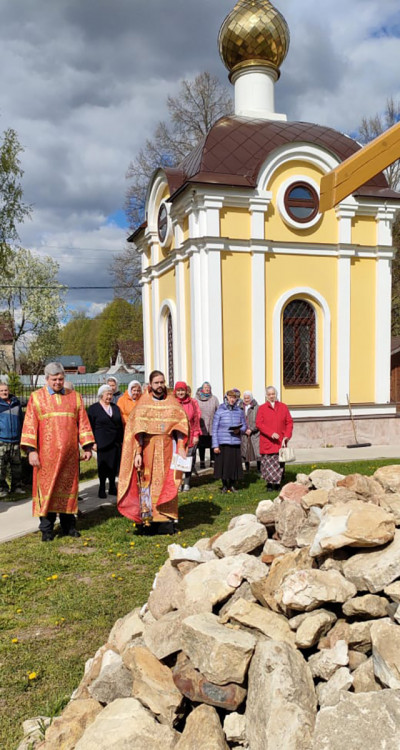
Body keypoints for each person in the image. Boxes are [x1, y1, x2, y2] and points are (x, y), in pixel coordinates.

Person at [20, 362, 94, 541]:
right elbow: (30, 425)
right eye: (54, 379)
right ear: (46, 379)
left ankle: (69, 526)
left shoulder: (75, 397)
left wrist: (87, 446)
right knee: (49, 491)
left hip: (69, 456)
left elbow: (82, 422)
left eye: (61, 379)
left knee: (68, 490)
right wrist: (31, 451)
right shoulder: (37, 398)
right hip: (46, 457)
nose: (58, 382)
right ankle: (46, 529)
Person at [117, 370, 189, 534]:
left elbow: (180, 429)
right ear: (150, 384)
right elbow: (137, 431)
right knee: (146, 484)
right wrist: (137, 453)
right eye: (156, 383)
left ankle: (166, 522)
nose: (160, 386)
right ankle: (147, 522)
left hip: (167, 449)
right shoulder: (143, 404)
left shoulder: (172, 403)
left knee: (167, 483)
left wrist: (181, 447)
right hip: (148, 450)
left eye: (162, 382)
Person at [88, 385, 124, 498]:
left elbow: (120, 425)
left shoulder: (115, 407)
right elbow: (89, 427)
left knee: (113, 465)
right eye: (107, 394)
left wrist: (121, 440)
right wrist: (92, 442)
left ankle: (113, 486)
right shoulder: (93, 409)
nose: (110, 396)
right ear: (101, 395)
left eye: (111, 394)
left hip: (115, 442)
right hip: (101, 443)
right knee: (103, 466)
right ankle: (102, 488)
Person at [256, 385, 293, 491]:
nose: (271, 396)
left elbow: (289, 422)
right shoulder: (262, 408)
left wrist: (287, 436)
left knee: (279, 463)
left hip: (280, 442)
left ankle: (277, 484)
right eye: (269, 394)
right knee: (267, 463)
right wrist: (271, 433)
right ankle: (269, 484)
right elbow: (259, 423)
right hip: (267, 441)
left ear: (276, 395)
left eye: (273, 394)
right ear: (266, 396)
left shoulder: (283, 407)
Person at [212, 389, 247, 493]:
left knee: (233, 465)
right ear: (226, 398)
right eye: (230, 397)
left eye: (234, 397)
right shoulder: (220, 411)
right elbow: (214, 429)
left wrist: (239, 430)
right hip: (223, 442)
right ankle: (224, 485)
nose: (232, 399)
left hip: (235, 442)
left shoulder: (239, 411)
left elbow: (245, 426)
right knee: (223, 465)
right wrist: (215, 445)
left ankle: (232, 485)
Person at [174, 381, 201, 492]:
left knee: (188, 458)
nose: (181, 393)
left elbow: (196, 420)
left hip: (190, 434)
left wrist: (196, 435)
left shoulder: (193, 402)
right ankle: (177, 482)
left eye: (182, 390)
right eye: (179, 390)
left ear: (186, 391)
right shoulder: (172, 402)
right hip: (176, 435)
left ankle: (187, 482)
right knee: (177, 459)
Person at [0, 382, 24, 496]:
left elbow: (21, 420)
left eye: (6, 390)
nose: (4, 392)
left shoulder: (16, 403)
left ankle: (16, 487)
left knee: (17, 466)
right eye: (1, 391)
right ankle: (2, 488)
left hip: (15, 440)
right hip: (2, 441)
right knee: (1, 467)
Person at [195, 381, 219, 469]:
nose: (207, 389)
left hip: (212, 424)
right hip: (201, 425)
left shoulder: (214, 399)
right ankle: (202, 461)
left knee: (212, 443)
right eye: (205, 388)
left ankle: (212, 461)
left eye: (209, 388)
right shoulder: (197, 399)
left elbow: (218, 410)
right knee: (202, 444)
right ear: (202, 389)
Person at [240, 391, 261, 472]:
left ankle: (259, 469)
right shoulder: (240, 407)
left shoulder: (257, 407)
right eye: (245, 398)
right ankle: (247, 469)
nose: (246, 400)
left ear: (251, 398)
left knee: (257, 451)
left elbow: (259, 420)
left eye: (248, 398)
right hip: (244, 433)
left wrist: (252, 429)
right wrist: (244, 429)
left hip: (255, 432)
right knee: (245, 451)